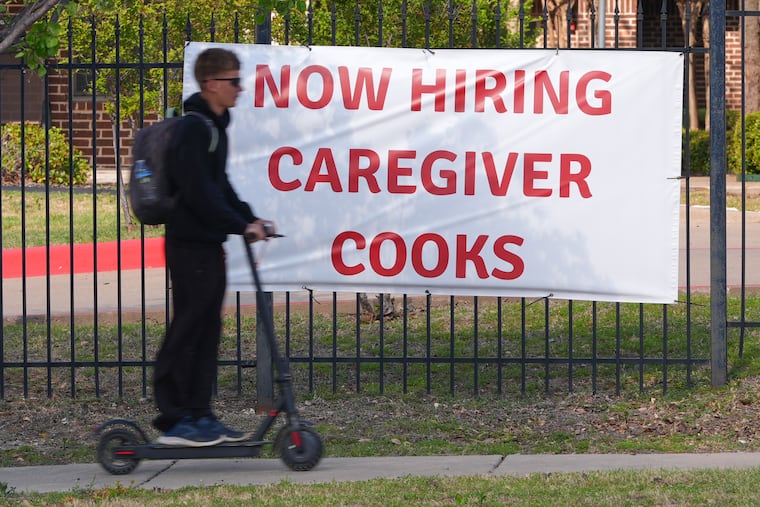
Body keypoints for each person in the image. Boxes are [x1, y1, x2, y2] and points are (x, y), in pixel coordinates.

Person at [152, 47, 274, 446]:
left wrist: (249, 218)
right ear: (210, 85)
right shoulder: (193, 129)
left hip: (207, 244)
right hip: (189, 245)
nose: (240, 89)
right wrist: (239, 225)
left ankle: (201, 415)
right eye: (233, 81)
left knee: (207, 328)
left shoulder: (215, 126)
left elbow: (220, 186)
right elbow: (198, 192)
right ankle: (175, 418)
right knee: (189, 325)